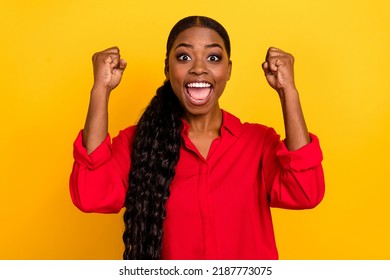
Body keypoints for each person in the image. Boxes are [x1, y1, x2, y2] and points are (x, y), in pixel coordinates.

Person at [69, 16, 325, 260]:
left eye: (213, 57)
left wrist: (287, 91)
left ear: (228, 70)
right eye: (184, 57)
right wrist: (100, 89)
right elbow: (91, 195)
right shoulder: (138, 142)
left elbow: (306, 193)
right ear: (168, 69)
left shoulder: (258, 142)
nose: (199, 68)